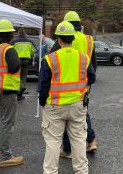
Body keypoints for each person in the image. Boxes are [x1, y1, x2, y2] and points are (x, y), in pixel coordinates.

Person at [38, 21, 95, 174]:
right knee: (79, 141)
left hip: (54, 106)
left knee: (53, 142)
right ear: (72, 38)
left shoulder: (51, 58)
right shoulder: (83, 58)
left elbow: (43, 84)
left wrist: (42, 102)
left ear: (59, 39)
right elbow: (92, 77)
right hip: (77, 105)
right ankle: (82, 171)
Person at [51, 10, 98, 156]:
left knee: (66, 114)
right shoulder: (88, 39)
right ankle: (91, 141)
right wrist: (88, 80)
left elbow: (50, 59)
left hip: (65, 82)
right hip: (84, 82)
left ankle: (67, 149)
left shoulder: (64, 37)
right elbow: (94, 63)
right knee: (82, 111)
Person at [0, 19, 24, 167]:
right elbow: (14, 68)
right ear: (9, 35)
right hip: (6, 91)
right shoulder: (8, 49)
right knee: (7, 123)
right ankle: (5, 156)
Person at [10, 29, 36, 100]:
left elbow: (9, 50)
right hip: (26, 61)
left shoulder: (14, 41)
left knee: (17, 76)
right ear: (25, 34)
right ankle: (20, 94)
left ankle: (20, 88)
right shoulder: (30, 42)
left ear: (18, 33)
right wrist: (32, 60)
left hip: (16, 60)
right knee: (24, 76)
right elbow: (34, 52)